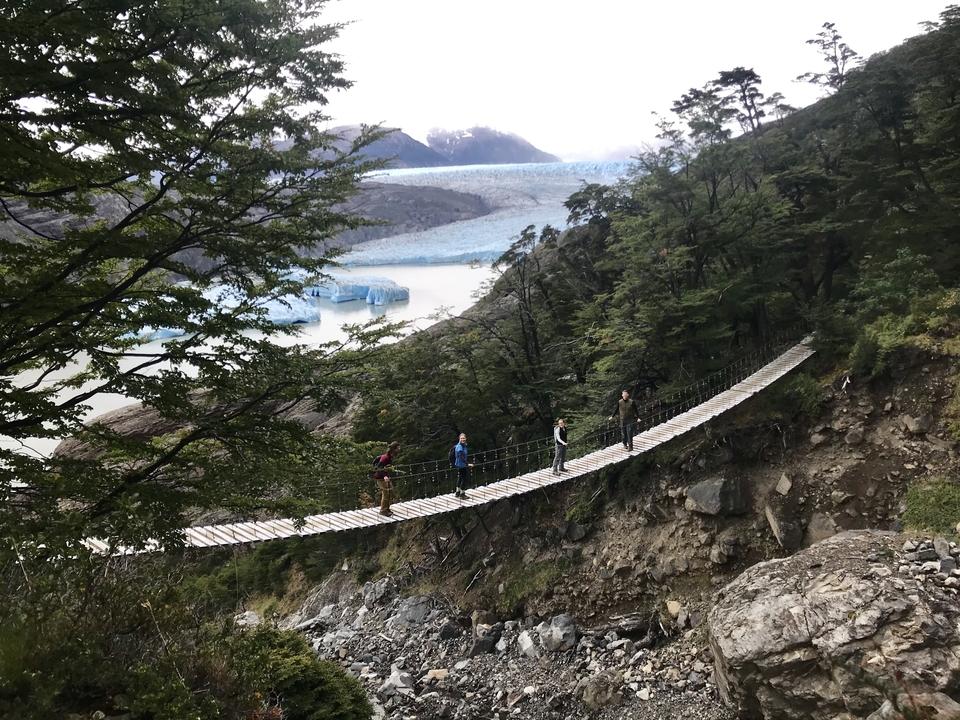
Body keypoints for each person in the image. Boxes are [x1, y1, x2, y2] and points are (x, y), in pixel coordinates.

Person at [374, 441, 400, 516]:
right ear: (394, 449)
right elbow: (378, 468)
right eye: (398, 448)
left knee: (389, 492)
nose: (399, 449)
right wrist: (384, 476)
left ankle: (387, 508)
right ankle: (383, 510)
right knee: (386, 493)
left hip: (385, 477)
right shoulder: (385, 457)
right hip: (380, 478)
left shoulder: (391, 457)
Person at [454, 433, 474, 499]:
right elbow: (461, 456)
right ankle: (462, 494)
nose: (463, 439)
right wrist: (467, 464)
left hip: (460, 464)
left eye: (464, 438)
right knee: (464, 478)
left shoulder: (463, 445)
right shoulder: (459, 446)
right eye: (461, 438)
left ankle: (457, 492)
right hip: (461, 464)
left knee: (460, 477)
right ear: (459, 439)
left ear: (465, 438)